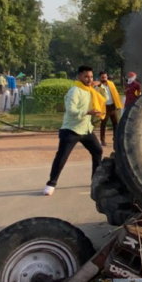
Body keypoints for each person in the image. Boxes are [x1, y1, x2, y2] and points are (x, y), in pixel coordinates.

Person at [43, 65, 104, 196]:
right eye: (86, 76)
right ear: (79, 76)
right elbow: (71, 111)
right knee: (62, 157)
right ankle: (51, 183)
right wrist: (88, 112)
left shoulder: (90, 90)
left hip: (86, 129)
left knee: (97, 151)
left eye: (91, 76)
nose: (89, 79)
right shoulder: (75, 91)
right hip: (71, 130)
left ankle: (95, 180)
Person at [96, 71, 123, 147]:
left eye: (105, 77)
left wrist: (117, 104)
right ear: (100, 78)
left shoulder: (111, 84)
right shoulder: (98, 86)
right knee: (103, 124)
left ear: (107, 77)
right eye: (102, 77)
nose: (104, 78)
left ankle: (115, 138)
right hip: (104, 107)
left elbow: (115, 94)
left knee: (115, 123)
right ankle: (102, 140)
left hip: (112, 106)